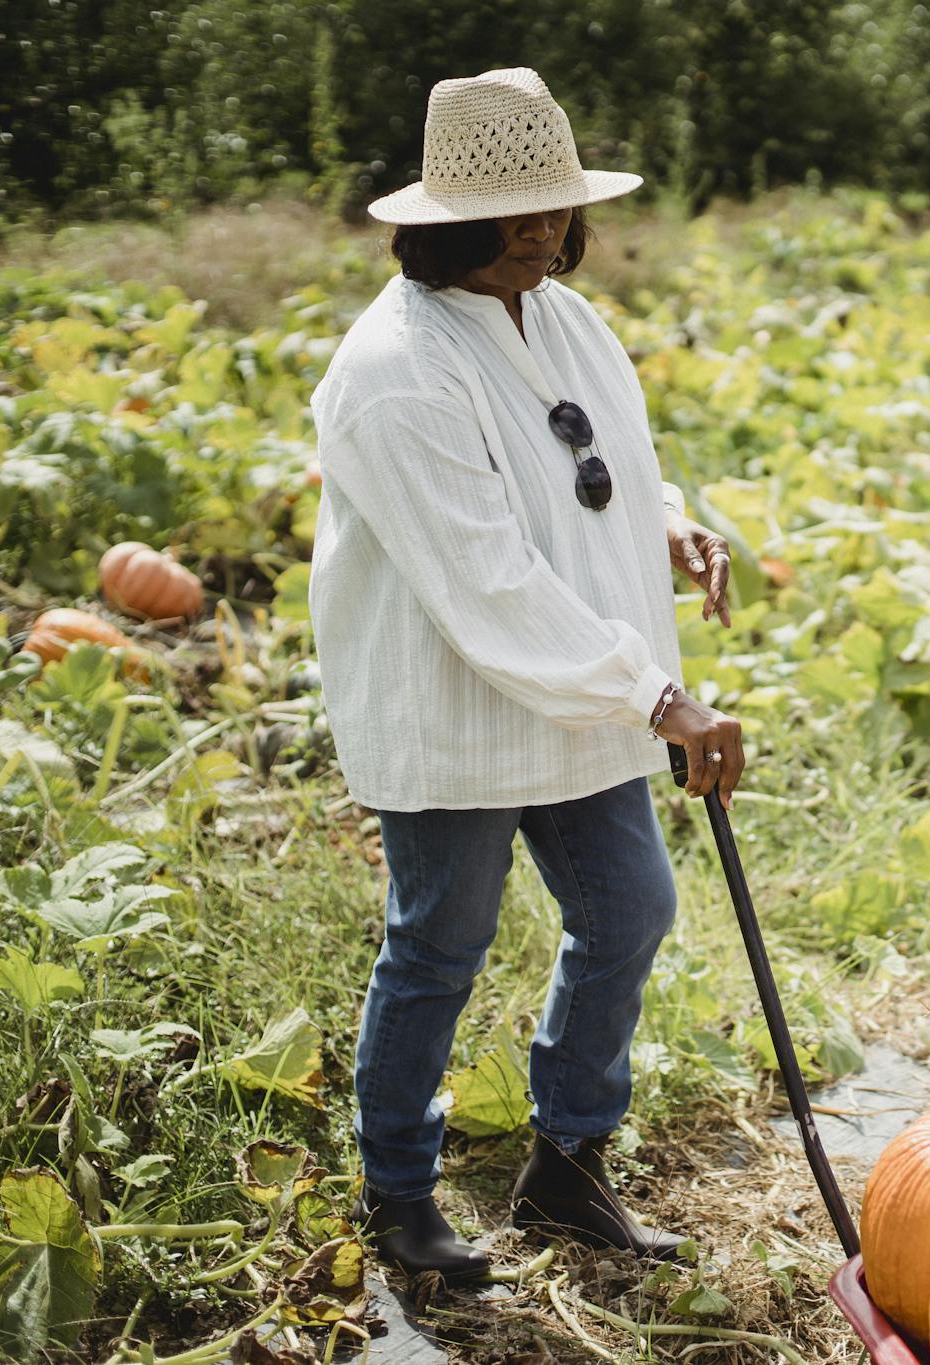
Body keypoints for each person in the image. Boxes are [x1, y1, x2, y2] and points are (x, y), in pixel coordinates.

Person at [308, 67, 744, 1280]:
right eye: (518, 212)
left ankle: (567, 1164)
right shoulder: (396, 370)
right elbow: (485, 579)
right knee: (441, 940)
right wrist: (659, 695)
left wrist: (661, 521)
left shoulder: (557, 314)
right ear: (443, 219)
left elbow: (590, 456)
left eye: (558, 206)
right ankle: (397, 1190)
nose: (546, 231)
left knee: (629, 909)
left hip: (579, 685)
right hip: (457, 695)